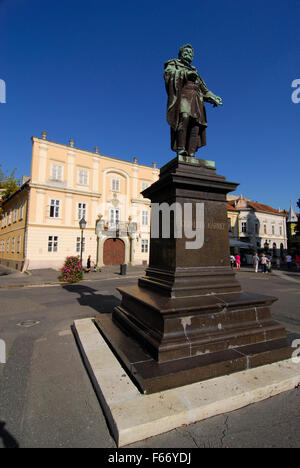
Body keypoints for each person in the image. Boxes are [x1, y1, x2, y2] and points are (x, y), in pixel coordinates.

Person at [164, 44, 222, 157]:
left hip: (196, 100)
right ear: (181, 53)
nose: (188, 54)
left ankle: (191, 152)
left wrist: (214, 97)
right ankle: (181, 148)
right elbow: (168, 75)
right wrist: (185, 74)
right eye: (186, 52)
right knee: (184, 117)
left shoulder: (195, 71)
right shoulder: (174, 64)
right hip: (184, 97)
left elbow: (204, 89)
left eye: (191, 53)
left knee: (196, 124)